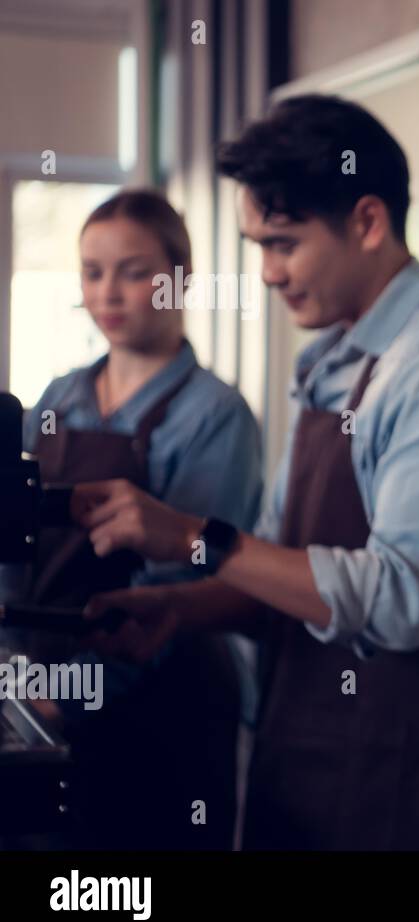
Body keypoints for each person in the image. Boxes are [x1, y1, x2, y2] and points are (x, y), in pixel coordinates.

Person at [80, 95, 419, 851]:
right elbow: (288, 575)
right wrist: (184, 612)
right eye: (257, 245)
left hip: (403, 773)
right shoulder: (331, 362)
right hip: (304, 756)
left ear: (368, 222)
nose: (269, 273)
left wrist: (190, 534)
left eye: (283, 243)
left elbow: (399, 600)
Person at [16, 189, 262, 849]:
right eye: (93, 272)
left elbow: (191, 582)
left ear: (180, 278)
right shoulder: (58, 396)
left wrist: (66, 698)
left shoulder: (216, 416)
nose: (110, 292)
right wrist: (18, 673)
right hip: (43, 677)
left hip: (164, 702)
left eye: (133, 270)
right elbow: (15, 546)